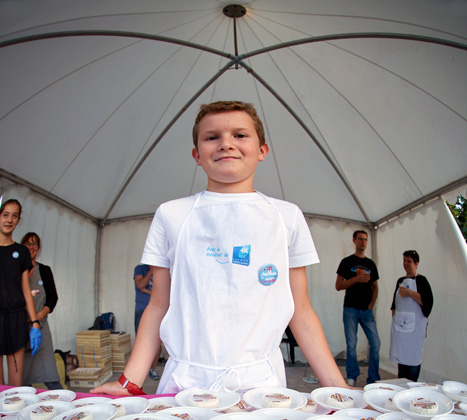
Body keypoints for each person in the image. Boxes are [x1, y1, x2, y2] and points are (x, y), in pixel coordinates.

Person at [93, 101, 348, 397]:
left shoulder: (286, 216)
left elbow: (301, 311)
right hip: (185, 380)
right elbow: (158, 306)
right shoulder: (171, 214)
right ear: (196, 155)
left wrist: (339, 388)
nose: (226, 144)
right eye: (212, 137)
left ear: (262, 150)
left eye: (240, 135)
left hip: (261, 385)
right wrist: (130, 382)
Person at [0, 199, 42, 386]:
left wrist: (35, 323)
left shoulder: (21, 251)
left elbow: (26, 290)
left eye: (14, 216)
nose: (9, 220)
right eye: (5, 214)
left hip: (16, 318)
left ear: (18, 220)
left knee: (15, 387)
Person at [335, 230, 381, 386]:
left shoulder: (371, 264)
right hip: (350, 309)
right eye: (360, 239)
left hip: (366, 311)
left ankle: (373, 378)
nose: (363, 242)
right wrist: (356, 278)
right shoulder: (347, 262)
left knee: (375, 344)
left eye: (366, 240)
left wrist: (371, 305)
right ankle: (352, 376)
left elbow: (375, 287)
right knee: (352, 345)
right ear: (354, 240)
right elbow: (338, 285)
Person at [21, 231, 63, 389]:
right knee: (23, 376)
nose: (31, 247)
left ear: (38, 248)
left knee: (49, 371)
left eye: (34, 244)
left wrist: (37, 318)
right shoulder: (17, 271)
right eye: (28, 243)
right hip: (21, 329)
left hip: (41, 329)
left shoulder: (44, 270)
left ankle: (62, 401)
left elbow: (53, 298)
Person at [389, 250, 433, 382]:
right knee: (402, 360)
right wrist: (396, 321)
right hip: (401, 330)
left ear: (416, 263)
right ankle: (402, 387)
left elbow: (427, 303)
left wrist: (410, 292)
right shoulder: (400, 281)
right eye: (404, 260)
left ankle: (412, 386)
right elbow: (394, 305)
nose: (406, 264)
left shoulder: (421, 281)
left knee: (413, 360)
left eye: (409, 261)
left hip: (415, 330)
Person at [134, 264, 160, 380]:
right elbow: (140, 285)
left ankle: (152, 369)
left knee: (157, 340)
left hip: (157, 310)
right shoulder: (140, 269)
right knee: (141, 341)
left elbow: (162, 292)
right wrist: (151, 271)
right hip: (141, 308)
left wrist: (147, 291)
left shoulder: (161, 270)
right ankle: (139, 371)